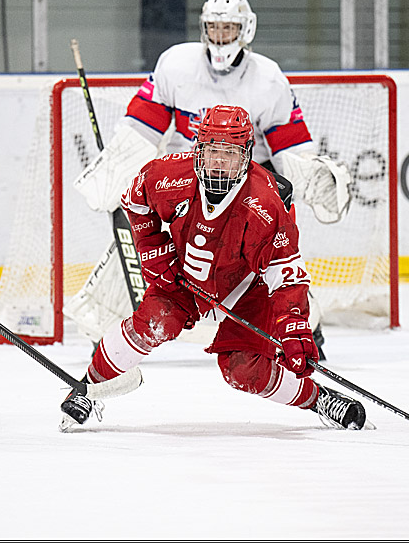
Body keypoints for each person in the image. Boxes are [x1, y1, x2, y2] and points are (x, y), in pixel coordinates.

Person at [65, 0, 351, 356]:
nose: (220, 37)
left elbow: (290, 147)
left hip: (242, 188)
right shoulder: (176, 64)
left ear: (245, 31)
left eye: (228, 29)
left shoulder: (268, 79)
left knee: (270, 265)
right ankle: (103, 335)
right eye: (214, 29)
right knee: (131, 251)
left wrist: (310, 180)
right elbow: (141, 126)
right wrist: (118, 172)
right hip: (184, 182)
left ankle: (304, 329)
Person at [57, 105, 366, 432]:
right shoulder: (168, 176)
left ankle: (319, 399)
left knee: (242, 370)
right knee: (151, 323)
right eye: (212, 151)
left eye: (229, 153)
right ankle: (87, 388)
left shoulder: (266, 204)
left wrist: (293, 326)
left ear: (247, 154)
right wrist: (154, 251)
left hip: (246, 288)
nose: (219, 162)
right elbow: (134, 201)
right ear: (197, 149)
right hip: (182, 279)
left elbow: (287, 275)